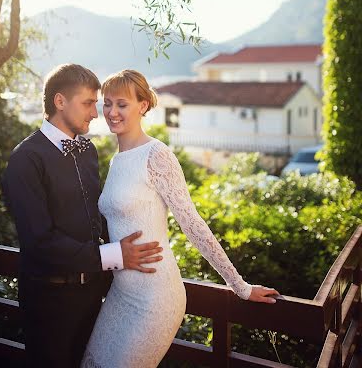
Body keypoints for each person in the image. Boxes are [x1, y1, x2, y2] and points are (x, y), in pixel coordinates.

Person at [82, 69, 280, 368]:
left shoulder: (156, 155)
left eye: (121, 104)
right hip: (120, 293)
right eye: (107, 103)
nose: (111, 112)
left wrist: (240, 287)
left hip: (155, 298)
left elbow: (192, 223)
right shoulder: (116, 159)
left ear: (143, 106)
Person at [2, 64, 163, 368]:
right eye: (89, 103)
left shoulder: (87, 150)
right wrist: (116, 254)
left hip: (94, 296)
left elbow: (99, 216)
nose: (95, 113)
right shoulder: (25, 159)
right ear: (60, 101)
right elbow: (39, 241)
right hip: (50, 301)